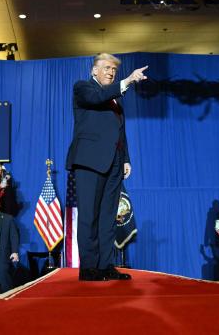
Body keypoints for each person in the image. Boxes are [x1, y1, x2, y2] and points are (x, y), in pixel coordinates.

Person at [65, 53, 147, 281]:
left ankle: (105, 265)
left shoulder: (116, 99)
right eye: (107, 68)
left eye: (114, 70)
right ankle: (89, 268)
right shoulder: (83, 88)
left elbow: (120, 131)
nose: (111, 72)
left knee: (108, 217)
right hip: (89, 162)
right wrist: (127, 81)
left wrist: (126, 159)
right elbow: (96, 98)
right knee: (89, 216)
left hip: (114, 163)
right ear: (94, 71)